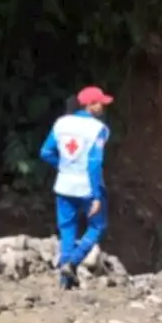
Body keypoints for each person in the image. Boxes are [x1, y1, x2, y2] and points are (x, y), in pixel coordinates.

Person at [39, 85, 112, 289]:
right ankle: (72, 263)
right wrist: (97, 195)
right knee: (97, 227)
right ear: (90, 105)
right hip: (88, 187)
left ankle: (65, 282)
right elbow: (95, 162)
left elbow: (45, 152)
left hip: (63, 185)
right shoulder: (100, 129)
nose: (103, 107)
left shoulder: (61, 123)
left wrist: (63, 166)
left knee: (67, 232)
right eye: (100, 103)